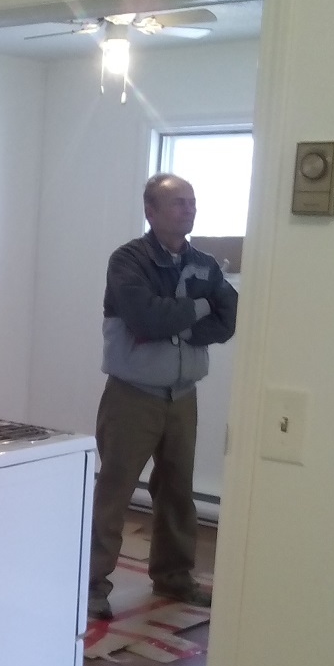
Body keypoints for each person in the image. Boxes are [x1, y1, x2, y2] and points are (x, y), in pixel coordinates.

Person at [88, 173, 238, 621]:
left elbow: (229, 317)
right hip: (132, 397)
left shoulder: (205, 263)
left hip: (183, 397)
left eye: (191, 202)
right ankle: (91, 586)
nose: (188, 209)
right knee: (114, 491)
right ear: (150, 211)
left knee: (177, 490)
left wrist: (183, 325)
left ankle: (174, 577)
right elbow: (146, 318)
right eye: (178, 203)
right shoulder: (128, 261)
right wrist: (199, 307)